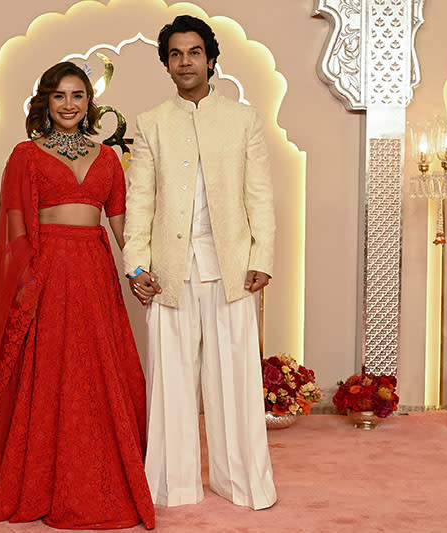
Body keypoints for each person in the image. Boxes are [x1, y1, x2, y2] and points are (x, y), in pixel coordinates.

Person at [0, 61, 155, 530]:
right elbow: (14, 226)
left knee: (96, 369)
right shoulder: (26, 155)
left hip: (94, 271)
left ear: (90, 103)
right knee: (49, 371)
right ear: (45, 103)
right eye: (59, 96)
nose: (69, 105)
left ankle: (100, 471)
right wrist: (24, 283)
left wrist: (136, 271)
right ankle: (40, 478)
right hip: (46, 271)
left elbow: (119, 224)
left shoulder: (108, 158)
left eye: (78, 96)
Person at [122, 15, 277, 510]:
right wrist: (137, 267)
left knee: (236, 379)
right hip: (168, 269)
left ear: (210, 60)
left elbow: (260, 197)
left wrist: (263, 257)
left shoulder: (243, 120)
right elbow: (139, 202)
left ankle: (243, 484)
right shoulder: (151, 124)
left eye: (193, 52)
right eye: (175, 54)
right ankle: (174, 486)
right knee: (171, 379)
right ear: (166, 64)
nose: (185, 61)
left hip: (231, 265)